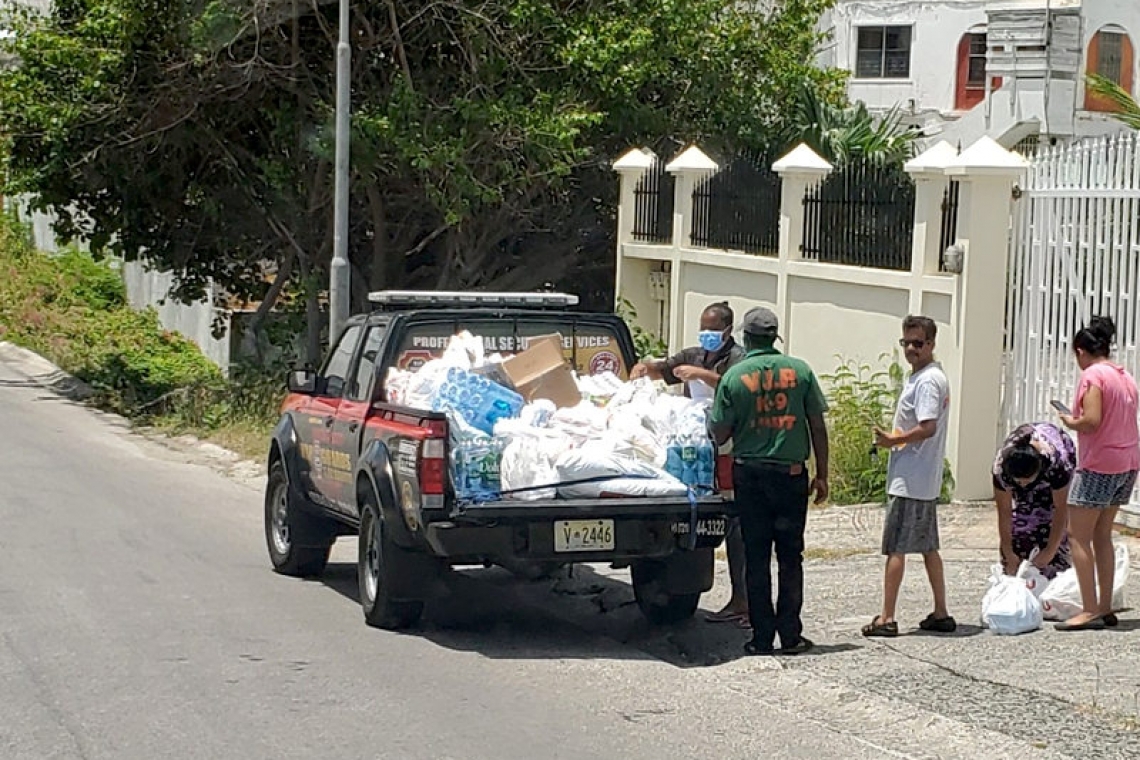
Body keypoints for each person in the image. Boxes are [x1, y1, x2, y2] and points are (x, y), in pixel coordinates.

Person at [709, 306, 829, 656]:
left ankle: (762, 638)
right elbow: (817, 425)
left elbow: (720, 431)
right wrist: (822, 474)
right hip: (791, 477)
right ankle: (790, 635)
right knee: (791, 557)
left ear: (746, 338)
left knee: (756, 556)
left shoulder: (734, 377)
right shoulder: (800, 371)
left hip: (750, 475)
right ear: (773, 338)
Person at [631, 301, 750, 624]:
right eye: (703, 328)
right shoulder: (693, 354)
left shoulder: (738, 360)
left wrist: (704, 376)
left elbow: (737, 387)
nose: (707, 334)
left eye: (713, 329)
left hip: (727, 443)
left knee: (736, 524)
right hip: (695, 441)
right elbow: (663, 368)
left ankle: (743, 599)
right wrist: (645, 368)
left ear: (727, 330)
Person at [863, 315, 954, 638]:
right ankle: (941, 611)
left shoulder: (928, 381)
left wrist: (892, 441)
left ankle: (887, 616)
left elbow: (927, 427)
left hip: (911, 477)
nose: (912, 349)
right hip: (921, 477)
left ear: (931, 343)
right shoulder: (925, 377)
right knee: (928, 546)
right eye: (907, 343)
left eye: (919, 343)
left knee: (896, 547)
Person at [1055, 316, 1139, 631]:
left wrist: (1069, 419)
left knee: (1078, 535)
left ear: (1080, 351)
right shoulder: (1124, 375)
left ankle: (1089, 608)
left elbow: (1091, 420)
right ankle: (1104, 605)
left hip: (1099, 463)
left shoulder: (1093, 376)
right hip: (1127, 462)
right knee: (1103, 534)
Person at [992, 422, 1076, 579]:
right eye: (1018, 481)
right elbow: (1005, 512)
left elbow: (1061, 510)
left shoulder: (1057, 463)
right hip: (1024, 473)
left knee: (1048, 525)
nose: (1023, 484)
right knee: (1022, 528)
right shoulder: (1000, 468)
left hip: (1051, 479)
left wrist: (1049, 552)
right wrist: (1008, 551)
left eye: (1027, 480)